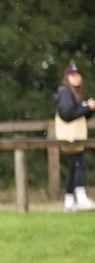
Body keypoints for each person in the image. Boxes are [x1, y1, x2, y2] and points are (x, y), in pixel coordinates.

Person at [54, 63, 95, 211]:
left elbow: (79, 114)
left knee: (73, 166)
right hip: (71, 136)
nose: (77, 78)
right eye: (73, 75)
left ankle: (69, 201)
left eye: (78, 75)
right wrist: (86, 108)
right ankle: (81, 197)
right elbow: (68, 114)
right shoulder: (65, 91)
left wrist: (88, 109)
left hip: (73, 135)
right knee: (80, 164)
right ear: (67, 77)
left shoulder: (71, 92)